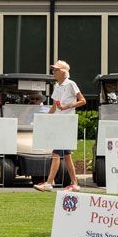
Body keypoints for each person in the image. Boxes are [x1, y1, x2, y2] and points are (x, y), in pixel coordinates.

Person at [34, 60, 84, 192]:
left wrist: (67, 106)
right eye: (53, 70)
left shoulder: (71, 84)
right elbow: (55, 106)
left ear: (63, 72)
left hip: (66, 123)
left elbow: (82, 101)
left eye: (56, 70)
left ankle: (49, 183)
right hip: (59, 123)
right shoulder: (57, 86)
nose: (53, 72)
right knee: (66, 155)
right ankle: (74, 184)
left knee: (56, 153)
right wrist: (45, 119)